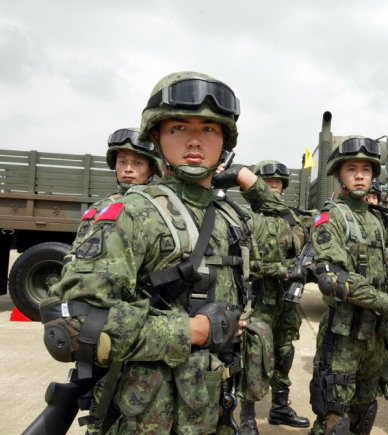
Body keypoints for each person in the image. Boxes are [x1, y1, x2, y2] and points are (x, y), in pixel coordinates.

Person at [40, 71, 288, 434]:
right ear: (156, 136)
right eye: (178, 128)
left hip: (212, 407)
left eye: (209, 129)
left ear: (225, 141)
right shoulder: (133, 213)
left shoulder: (231, 216)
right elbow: (70, 325)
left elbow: (292, 231)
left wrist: (246, 179)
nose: (194, 140)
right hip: (145, 420)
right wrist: (193, 330)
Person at [308, 136, 388, 435]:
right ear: (338, 174)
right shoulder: (330, 218)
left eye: (366, 170)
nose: (359, 175)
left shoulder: (376, 218)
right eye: (351, 169)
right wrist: (387, 302)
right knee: (334, 420)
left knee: (365, 410)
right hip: (343, 335)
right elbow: (332, 279)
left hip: (374, 335)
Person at [237, 160, 312, 434]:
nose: (273, 187)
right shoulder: (245, 219)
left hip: (286, 301)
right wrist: (283, 270)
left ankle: (280, 408)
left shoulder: (295, 220)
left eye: (278, 183)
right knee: (254, 355)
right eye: (267, 183)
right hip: (258, 301)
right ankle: (246, 415)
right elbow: (242, 262)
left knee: (284, 352)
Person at [73, 127, 161, 247]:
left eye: (137, 163)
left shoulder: (163, 208)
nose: (128, 169)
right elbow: (78, 252)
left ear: (151, 169)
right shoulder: (99, 210)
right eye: (122, 162)